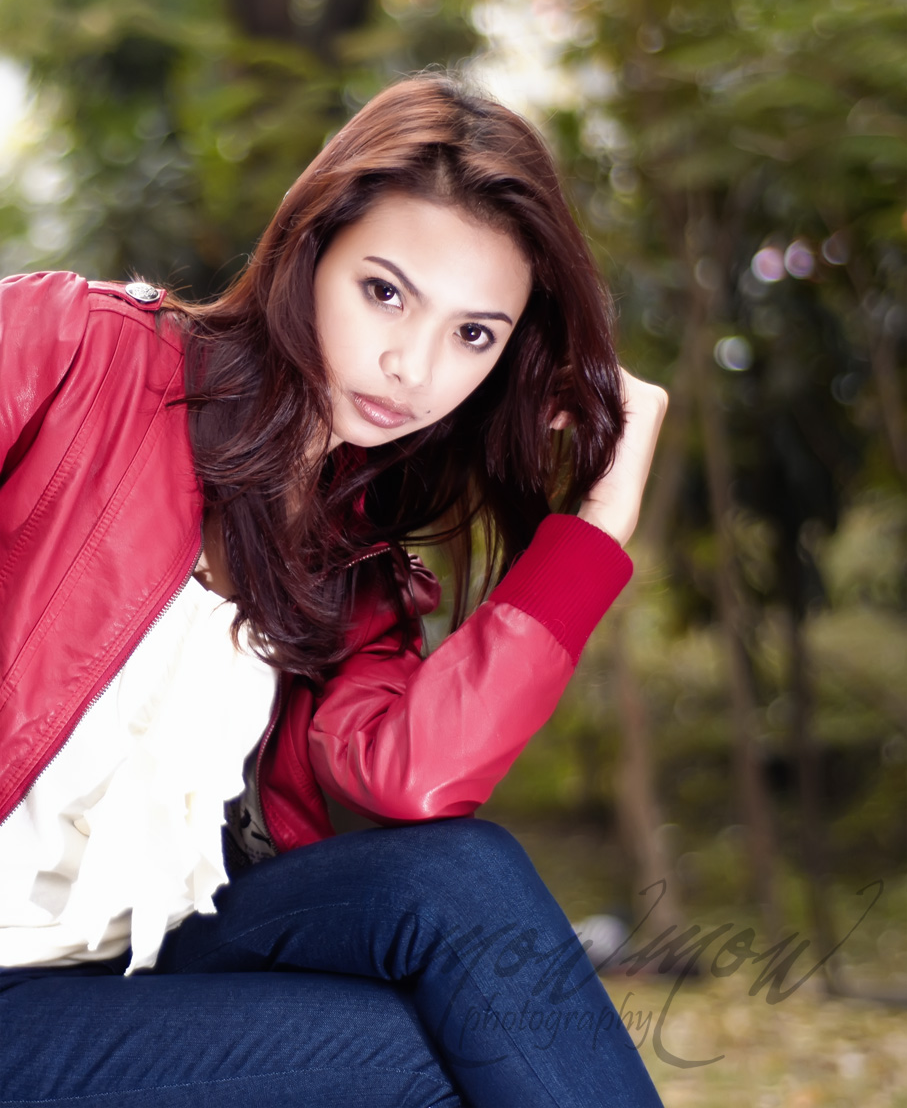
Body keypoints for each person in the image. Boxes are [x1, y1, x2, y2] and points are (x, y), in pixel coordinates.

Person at [0, 74, 667, 1107]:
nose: (412, 366)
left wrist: (595, 527)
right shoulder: (73, 354)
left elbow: (413, 782)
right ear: (311, 250)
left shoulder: (350, 569)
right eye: (385, 292)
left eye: (473, 335)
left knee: (463, 883)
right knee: (433, 1059)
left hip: (132, 970)